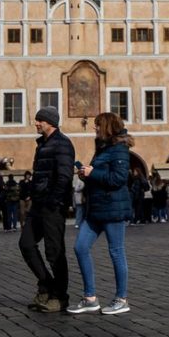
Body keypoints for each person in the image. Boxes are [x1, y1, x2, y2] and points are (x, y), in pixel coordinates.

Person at [67, 112, 133, 316]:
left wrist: (92, 173)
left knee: (116, 252)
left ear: (106, 126)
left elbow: (119, 179)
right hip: (95, 209)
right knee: (80, 247)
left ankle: (121, 299)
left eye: (97, 125)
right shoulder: (103, 148)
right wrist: (86, 174)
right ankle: (90, 298)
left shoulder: (120, 149)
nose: (94, 128)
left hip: (113, 209)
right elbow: (100, 177)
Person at [19, 106, 74, 313]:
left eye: (39, 120)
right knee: (26, 244)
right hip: (38, 205)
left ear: (50, 122)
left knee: (54, 252)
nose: (36, 123)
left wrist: (54, 201)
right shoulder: (42, 144)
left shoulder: (62, 144)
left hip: (52, 206)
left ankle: (60, 297)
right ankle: (46, 285)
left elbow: (64, 177)